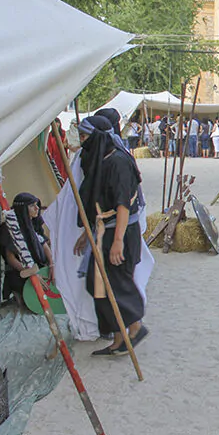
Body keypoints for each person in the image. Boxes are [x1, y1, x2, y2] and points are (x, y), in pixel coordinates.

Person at [74, 116, 148, 357]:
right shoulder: (101, 161)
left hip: (122, 232)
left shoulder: (118, 162)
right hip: (105, 230)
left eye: (85, 137)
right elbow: (98, 202)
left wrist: (117, 241)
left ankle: (135, 326)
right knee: (97, 285)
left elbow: (122, 205)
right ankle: (119, 337)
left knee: (114, 281)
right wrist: (88, 233)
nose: (82, 142)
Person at [0, 192, 54, 301]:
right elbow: (11, 258)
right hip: (20, 271)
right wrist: (32, 273)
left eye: (37, 205)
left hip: (40, 267)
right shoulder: (9, 228)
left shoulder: (32, 223)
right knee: (35, 298)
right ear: (23, 208)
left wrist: (51, 264)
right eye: (32, 206)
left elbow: (44, 244)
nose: (37, 208)